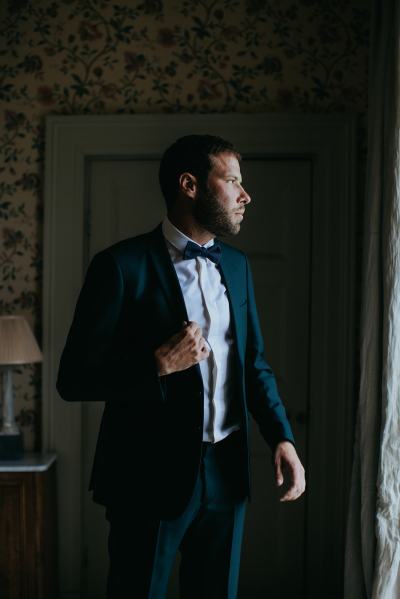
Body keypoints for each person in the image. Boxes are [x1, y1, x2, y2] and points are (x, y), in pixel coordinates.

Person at [56, 134, 305, 598]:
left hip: (227, 474)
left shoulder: (237, 266)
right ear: (190, 185)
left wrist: (282, 437)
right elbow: (72, 379)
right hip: (145, 475)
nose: (245, 195)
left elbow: (254, 365)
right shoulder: (119, 266)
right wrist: (155, 364)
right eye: (231, 180)